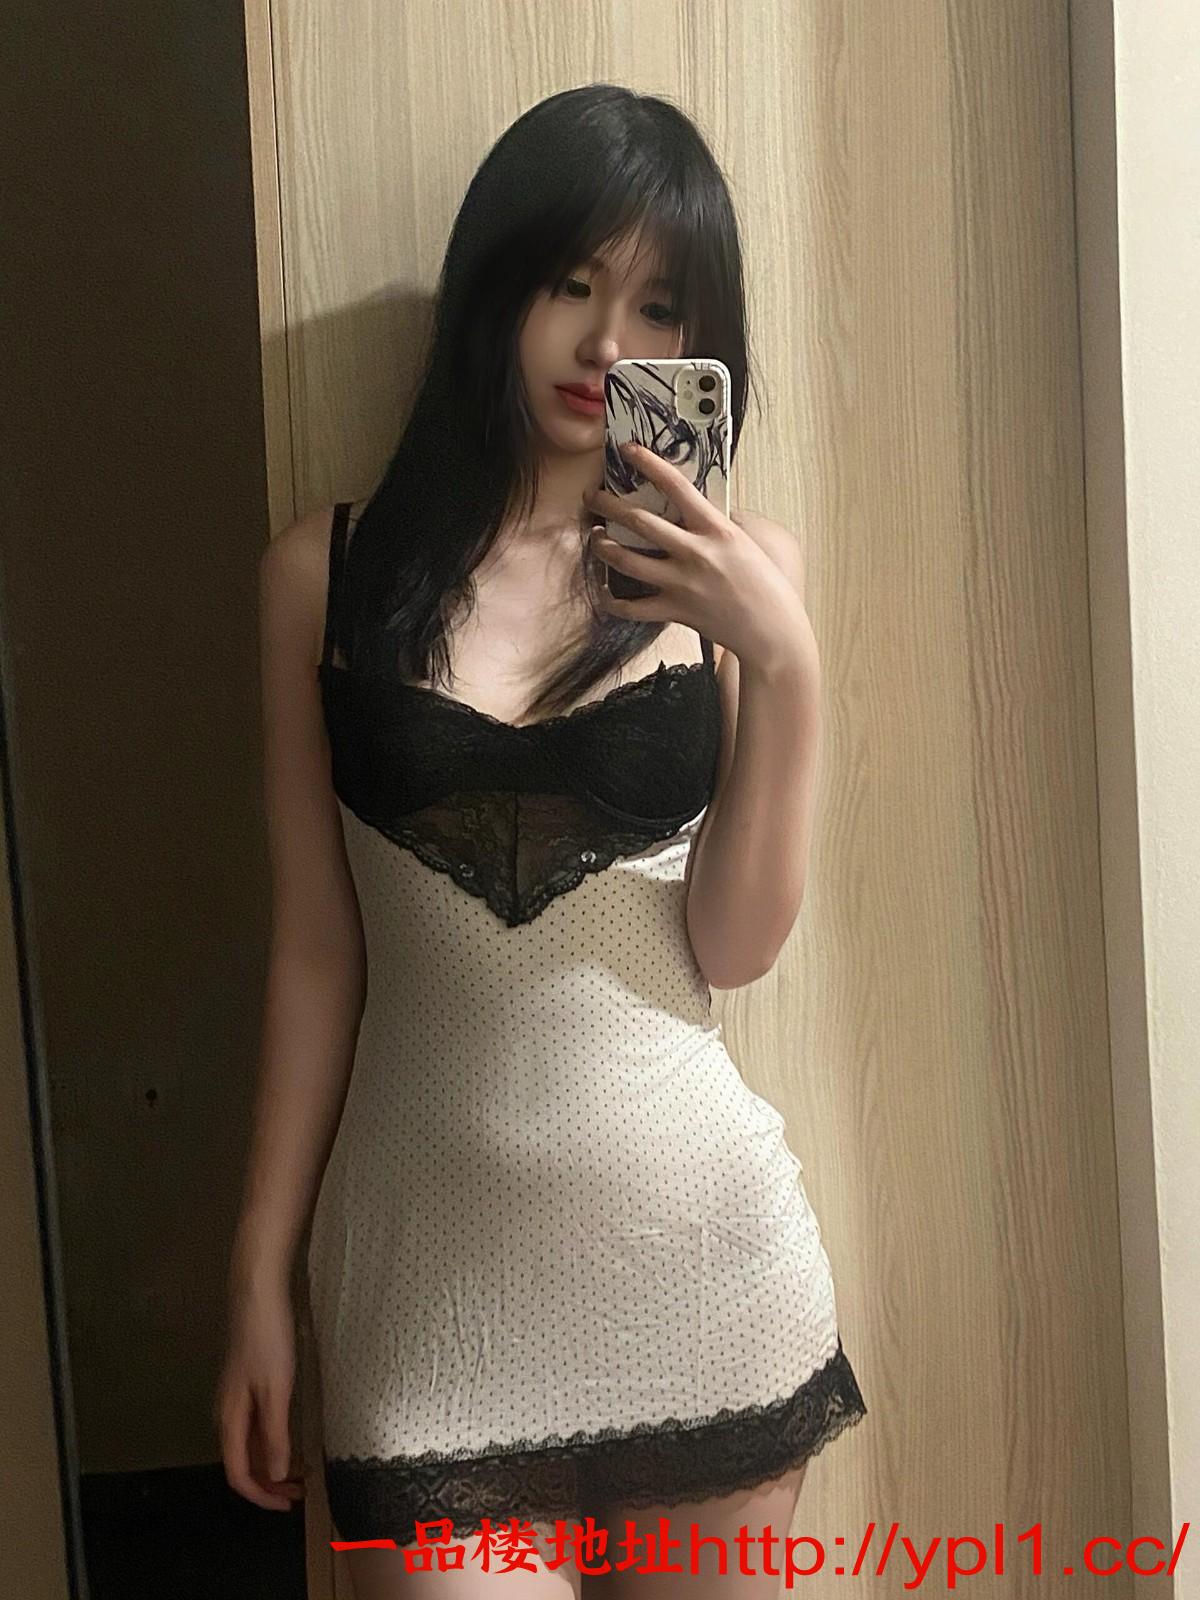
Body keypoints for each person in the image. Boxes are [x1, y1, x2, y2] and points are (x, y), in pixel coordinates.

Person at [217, 83, 867, 1599]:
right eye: (572, 283)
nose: (606, 343)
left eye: (659, 306)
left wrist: (783, 661)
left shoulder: (743, 580)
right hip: (424, 1301)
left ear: (703, 342)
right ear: (495, 285)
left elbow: (735, 949)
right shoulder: (325, 575)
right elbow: (316, 954)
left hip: (705, 1279)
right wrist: (258, 1273)